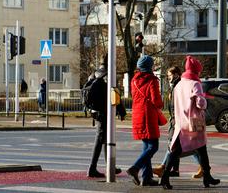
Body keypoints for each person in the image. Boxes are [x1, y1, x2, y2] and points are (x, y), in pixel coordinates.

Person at [160, 56, 220, 190]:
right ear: (196, 71)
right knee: (201, 149)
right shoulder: (195, 84)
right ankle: (206, 177)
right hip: (193, 122)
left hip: (181, 121)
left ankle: (206, 176)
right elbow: (200, 103)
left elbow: (173, 103)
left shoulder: (179, 83)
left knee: (177, 151)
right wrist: (204, 101)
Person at [127, 55, 164, 187]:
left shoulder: (134, 80)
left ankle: (146, 177)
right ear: (150, 66)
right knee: (153, 147)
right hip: (148, 115)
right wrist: (162, 103)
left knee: (146, 147)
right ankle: (135, 168)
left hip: (137, 114)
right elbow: (156, 101)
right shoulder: (152, 80)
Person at [87, 58, 126, 178]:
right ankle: (92, 168)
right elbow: (114, 93)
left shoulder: (94, 74)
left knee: (105, 139)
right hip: (105, 112)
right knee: (100, 140)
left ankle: (110, 166)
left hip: (96, 112)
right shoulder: (107, 75)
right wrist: (121, 111)